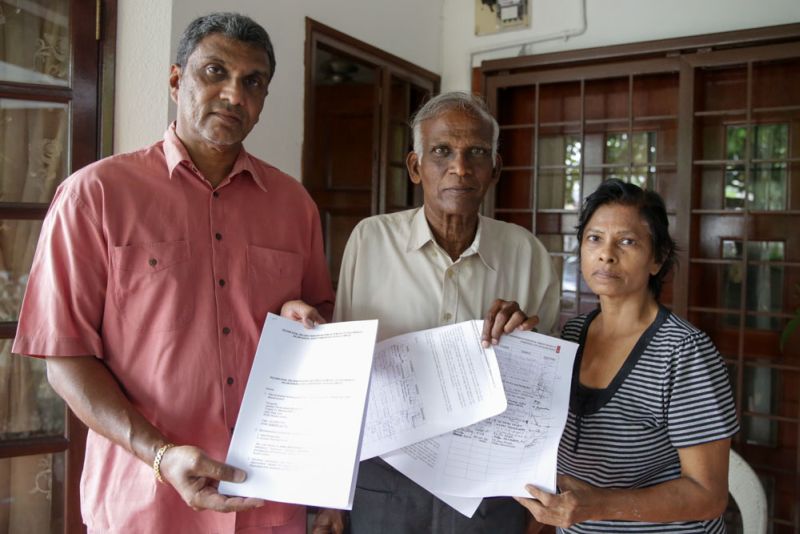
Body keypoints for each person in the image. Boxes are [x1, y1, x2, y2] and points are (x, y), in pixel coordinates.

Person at [12, 12, 334, 534]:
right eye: (214, 72)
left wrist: (302, 316)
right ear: (175, 79)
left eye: (253, 82)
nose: (233, 95)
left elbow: (319, 323)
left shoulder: (294, 205)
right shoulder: (95, 195)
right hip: (146, 505)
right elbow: (64, 358)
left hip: (269, 504)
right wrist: (160, 456)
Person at [297, 91, 560, 533]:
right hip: (385, 477)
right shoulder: (370, 241)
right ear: (416, 167)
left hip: (490, 487)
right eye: (442, 152)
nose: (460, 168)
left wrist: (523, 337)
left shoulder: (527, 253)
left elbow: (543, 395)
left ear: (494, 169)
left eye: (476, 152)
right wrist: (329, 495)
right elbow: (343, 376)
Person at [516, 179, 739, 532]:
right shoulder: (571, 336)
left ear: (658, 259)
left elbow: (708, 494)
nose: (607, 253)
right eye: (594, 239)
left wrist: (598, 505)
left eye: (627, 241)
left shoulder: (684, 352)